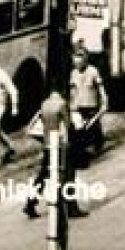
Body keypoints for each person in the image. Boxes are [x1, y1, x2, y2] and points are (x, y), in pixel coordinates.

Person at [24, 90, 84, 222]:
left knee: (43, 175)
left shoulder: (44, 104)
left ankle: (30, 203)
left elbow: (34, 125)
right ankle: (71, 208)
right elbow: (69, 126)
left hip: (48, 144)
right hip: (62, 145)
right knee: (68, 175)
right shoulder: (62, 104)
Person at [69, 48, 106, 160]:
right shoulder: (73, 73)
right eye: (76, 63)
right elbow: (73, 89)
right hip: (79, 104)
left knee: (94, 126)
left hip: (91, 104)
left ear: (85, 60)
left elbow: (100, 87)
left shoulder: (93, 71)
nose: (78, 65)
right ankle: (84, 147)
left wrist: (105, 99)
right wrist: (72, 103)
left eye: (80, 62)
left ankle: (98, 144)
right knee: (81, 127)